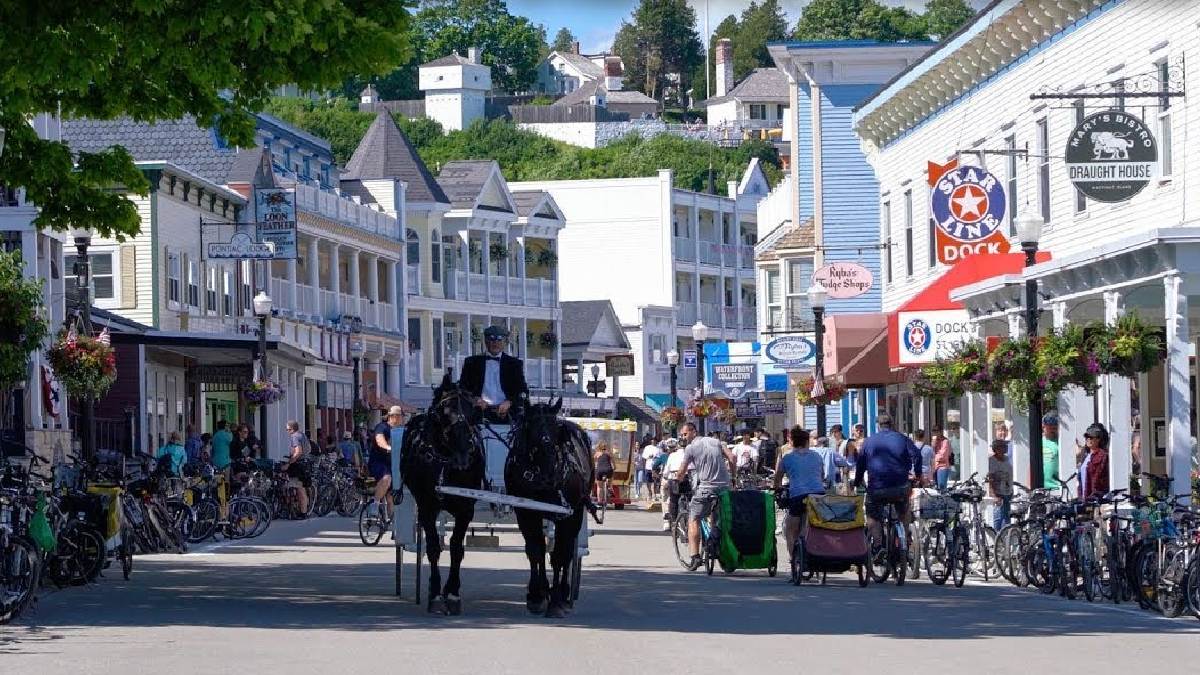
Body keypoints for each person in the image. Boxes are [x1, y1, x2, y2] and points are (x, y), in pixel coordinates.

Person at [675, 422, 735, 570]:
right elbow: (732, 458)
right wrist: (733, 477)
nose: (683, 437)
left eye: (685, 434)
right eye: (682, 435)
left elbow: (682, 470)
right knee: (721, 517)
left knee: (694, 519)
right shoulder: (716, 442)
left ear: (693, 432)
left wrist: (677, 479)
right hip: (725, 487)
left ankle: (695, 557)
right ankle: (718, 541)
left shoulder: (690, 448)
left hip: (706, 488)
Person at [854, 414, 920, 548]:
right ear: (892, 424)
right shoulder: (903, 439)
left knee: (872, 514)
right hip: (900, 486)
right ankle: (904, 540)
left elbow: (860, 464)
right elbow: (917, 455)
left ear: (878, 425)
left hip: (877, 488)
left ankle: (878, 546)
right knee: (904, 510)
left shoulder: (868, 441)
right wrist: (918, 475)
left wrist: (857, 481)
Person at [772, 426, 826, 562]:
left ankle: (793, 558)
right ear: (807, 441)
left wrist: (777, 489)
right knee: (813, 522)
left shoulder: (788, 457)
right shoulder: (817, 456)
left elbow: (778, 478)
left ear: (793, 442)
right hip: (817, 494)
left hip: (798, 495)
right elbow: (822, 475)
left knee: (790, 528)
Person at [459, 325, 528, 421]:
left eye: (499, 340)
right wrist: (475, 399)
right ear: (486, 341)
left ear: (505, 342)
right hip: (479, 412)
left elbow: (522, 390)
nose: (495, 343)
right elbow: (463, 388)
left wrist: (509, 402)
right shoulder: (471, 362)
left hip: (507, 413)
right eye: (491, 339)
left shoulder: (514, 364)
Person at [368, 406, 406, 516]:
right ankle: (374, 504)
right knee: (386, 478)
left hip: (394, 466)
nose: (402, 419)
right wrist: (387, 447)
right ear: (393, 417)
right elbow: (379, 439)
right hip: (378, 463)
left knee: (392, 497)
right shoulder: (382, 427)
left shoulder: (401, 431)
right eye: (400, 416)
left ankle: (392, 525)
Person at [284, 420, 311, 517]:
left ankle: (302, 513)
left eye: (287, 429)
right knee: (302, 488)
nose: (287, 431)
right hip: (305, 464)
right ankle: (304, 511)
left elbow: (298, 451)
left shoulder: (294, 436)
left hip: (298, 465)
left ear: (292, 429)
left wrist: (290, 462)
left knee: (299, 489)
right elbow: (309, 449)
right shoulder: (302, 435)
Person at [1077, 423, 1111, 499]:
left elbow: (1098, 479)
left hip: (1095, 499)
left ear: (1099, 439)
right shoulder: (1086, 455)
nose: (1088, 439)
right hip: (1084, 498)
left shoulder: (1102, 455)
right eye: (1087, 437)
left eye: (1091, 437)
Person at [987, 438, 1014, 531]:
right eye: (1002, 447)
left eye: (1005, 446)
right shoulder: (992, 461)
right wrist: (994, 495)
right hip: (998, 493)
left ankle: (1006, 537)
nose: (1004, 448)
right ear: (996, 448)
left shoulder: (1007, 459)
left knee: (1007, 517)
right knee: (998, 517)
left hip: (1008, 491)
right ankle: (996, 536)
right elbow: (990, 479)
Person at [660, 438, 684, 530]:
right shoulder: (689, 454)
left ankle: (671, 521)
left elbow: (666, 472)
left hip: (673, 480)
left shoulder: (671, 456)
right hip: (687, 481)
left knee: (669, 499)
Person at [1041, 413, 1060, 488]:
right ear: (1043, 427)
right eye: (1050, 428)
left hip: (1056, 486)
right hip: (1041, 487)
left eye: (1054, 428)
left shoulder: (1060, 443)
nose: (1052, 430)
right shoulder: (1038, 442)